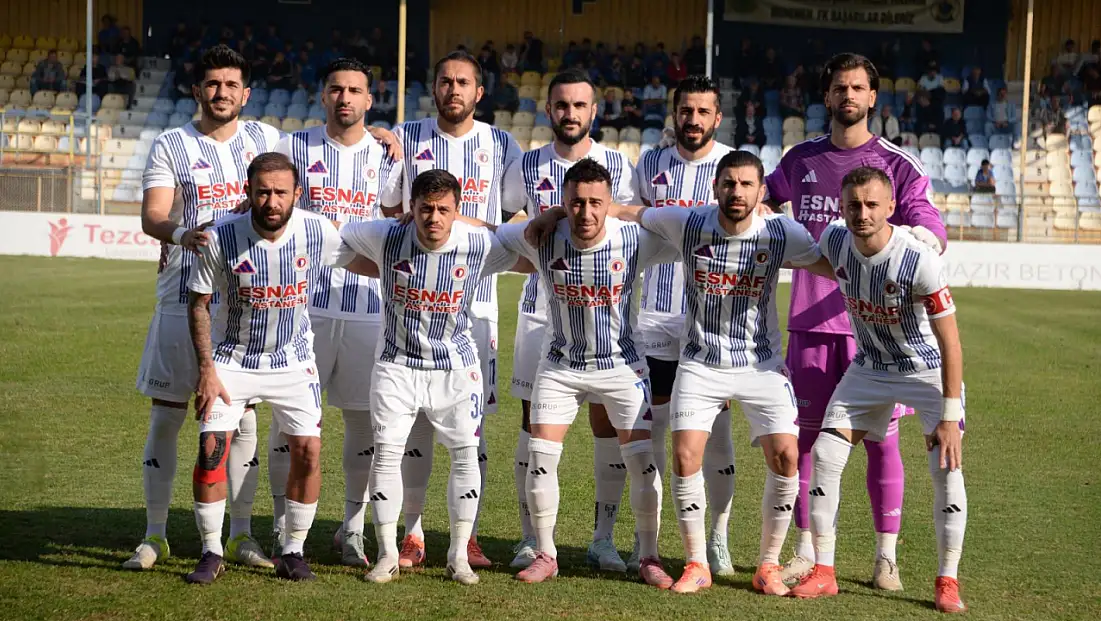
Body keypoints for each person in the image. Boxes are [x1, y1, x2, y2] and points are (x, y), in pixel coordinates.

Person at [608, 150, 836, 595]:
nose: (737, 192)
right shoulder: (689, 222)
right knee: (685, 455)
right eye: (729, 183)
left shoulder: (781, 232)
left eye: (746, 184)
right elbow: (634, 212)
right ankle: (697, 564)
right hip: (700, 363)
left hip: (761, 365)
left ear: (762, 191)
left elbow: (831, 265)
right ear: (715, 188)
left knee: (786, 457)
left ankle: (768, 565)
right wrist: (566, 213)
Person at [763, 53, 948, 591]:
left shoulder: (897, 164)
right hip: (809, 325)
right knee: (806, 441)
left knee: (881, 444)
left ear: (872, 97)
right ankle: (807, 552)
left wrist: (924, 242)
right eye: (839, 87)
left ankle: (885, 557)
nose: (848, 95)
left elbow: (929, 222)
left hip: (880, 332)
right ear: (827, 97)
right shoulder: (801, 159)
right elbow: (760, 197)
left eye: (858, 87)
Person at [126, 44, 282, 573]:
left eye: (231, 84)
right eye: (212, 84)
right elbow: (153, 216)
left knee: (242, 420)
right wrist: (181, 234)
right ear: (197, 90)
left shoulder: (266, 139)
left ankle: (240, 535)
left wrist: (383, 137)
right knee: (167, 416)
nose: (221, 93)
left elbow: (320, 153)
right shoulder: (171, 143)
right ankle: (155, 535)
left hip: (244, 304)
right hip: (181, 295)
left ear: (246, 93)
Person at [338, 170, 530, 585]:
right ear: (411, 208)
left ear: (457, 211)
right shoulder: (385, 235)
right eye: (425, 208)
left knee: (465, 455)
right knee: (386, 455)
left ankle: (458, 555)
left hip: (456, 368)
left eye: (444, 209)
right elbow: (332, 233)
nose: (434, 218)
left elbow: (530, 250)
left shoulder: (477, 242)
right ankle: (387, 554)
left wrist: (484, 223)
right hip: (397, 365)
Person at [789, 167, 967, 615]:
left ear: (891, 207)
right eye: (853, 205)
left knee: (946, 469)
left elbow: (951, 343)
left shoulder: (919, 260)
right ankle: (824, 571)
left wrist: (949, 416)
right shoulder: (836, 239)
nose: (862, 213)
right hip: (868, 369)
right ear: (842, 207)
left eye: (872, 205)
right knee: (826, 456)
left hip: (925, 372)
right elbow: (820, 261)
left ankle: (947, 579)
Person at [183, 152, 365, 584]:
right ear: (247, 192)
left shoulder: (317, 230)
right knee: (211, 450)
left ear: (297, 193)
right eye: (262, 192)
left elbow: (365, 256)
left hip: (293, 361)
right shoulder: (220, 236)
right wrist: (206, 369)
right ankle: (211, 550)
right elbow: (199, 304)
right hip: (232, 359)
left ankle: (293, 550)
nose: (271, 201)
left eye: (281, 192)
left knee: (308, 451)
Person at [501, 159, 678, 587]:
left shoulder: (634, 240)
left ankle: (648, 556)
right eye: (576, 202)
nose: (585, 212)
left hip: (622, 367)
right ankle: (546, 554)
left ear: (609, 202)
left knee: (642, 462)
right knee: (540, 457)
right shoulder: (542, 236)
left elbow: (688, 229)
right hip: (560, 366)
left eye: (596, 202)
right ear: (564, 202)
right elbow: (483, 231)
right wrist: (546, 216)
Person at [499, 69, 640, 572]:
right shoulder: (527, 163)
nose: (571, 113)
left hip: (601, 315)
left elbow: (621, 218)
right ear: (549, 109)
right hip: (540, 311)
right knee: (532, 424)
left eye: (580, 105)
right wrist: (543, 220)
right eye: (562, 105)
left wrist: (558, 213)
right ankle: (530, 539)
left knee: (606, 422)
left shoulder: (617, 164)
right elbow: (509, 227)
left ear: (594, 111)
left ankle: (603, 539)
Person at [389, 51, 523, 569]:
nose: (453, 89)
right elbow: (391, 210)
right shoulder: (405, 137)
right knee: (416, 423)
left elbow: (511, 219)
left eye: (463, 82)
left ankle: (467, 537)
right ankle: (413, 533)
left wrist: (466, 228)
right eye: (445, 80)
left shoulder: (501, 144)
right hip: (414, 304)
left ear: (478, 92)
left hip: (476, 307)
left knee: (473, 428)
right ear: (434, 87)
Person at [269, 58, 403, 567]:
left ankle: (352, 529)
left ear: (370, 99)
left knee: (363, 423)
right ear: (322, 95)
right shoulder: (293, 147)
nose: (344, 97)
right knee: (289, 423)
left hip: (368, 308)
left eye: (354, 90)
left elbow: (395, 221)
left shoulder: (389, 156)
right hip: (301, 308)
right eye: (336, 89)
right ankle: (282, 526)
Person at [634, 75, 738, 576]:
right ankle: (650, 540)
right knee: (654, 430)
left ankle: (718, 535)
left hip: (714, 325)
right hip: (655, 317)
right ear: (674, 113)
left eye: (702, 112)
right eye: (685, 110)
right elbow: (631, 218)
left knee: (715, 433)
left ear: (717, 117)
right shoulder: (649, 164)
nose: (692, 120)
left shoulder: (734, 165)